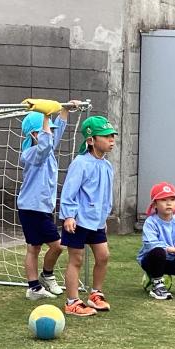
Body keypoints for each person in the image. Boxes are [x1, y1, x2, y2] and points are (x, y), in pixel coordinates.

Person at [17, 101, 80, 300]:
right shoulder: (31, 154)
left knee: (34, 247)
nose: (51, 133)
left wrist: (64, 110)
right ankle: (46, 276)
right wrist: (45, 115)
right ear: (34, 135)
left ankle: (34, 287)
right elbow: (45, 145)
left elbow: (54, 135)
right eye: (47, 130)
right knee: (57, 245)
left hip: (41, 207)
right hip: (31, 208)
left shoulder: (47, 150)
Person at [59, 115, 118, 317]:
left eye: (112, 136)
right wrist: (69, 216)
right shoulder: (80, 163)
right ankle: (72, 302)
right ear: (91, 140)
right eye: (106, 136)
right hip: (78, 221)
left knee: (103, 256)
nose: (111, 140)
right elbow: (69, 191)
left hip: (96, 222)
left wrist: (104, 218)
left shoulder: (107, 166)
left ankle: (96, 294)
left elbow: (106, 195)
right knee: (76, 259)